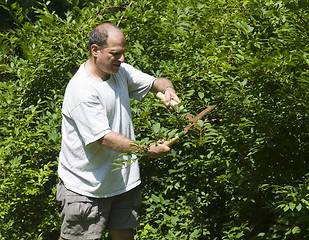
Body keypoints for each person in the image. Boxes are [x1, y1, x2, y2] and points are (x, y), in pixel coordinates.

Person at [56, 22, 180, 240]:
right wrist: (147, 150)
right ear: (95, 51)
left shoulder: (119, 72)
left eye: (123, 52)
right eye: (115, 54)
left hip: (122, 181)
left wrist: (168, 90)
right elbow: (104, 138)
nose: (121, 59)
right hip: (87, 187)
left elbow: (155, 82)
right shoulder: (82, 90)